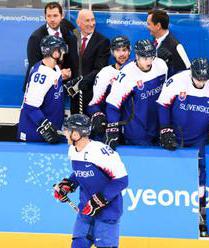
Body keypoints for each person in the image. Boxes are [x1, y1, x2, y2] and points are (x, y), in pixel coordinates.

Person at [157, 58, 209, 236]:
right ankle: (174, 210)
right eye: (198, 78)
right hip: (178, 137)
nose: (201, 82)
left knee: (201, 177)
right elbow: (162, 105)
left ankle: (200, 211)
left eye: (204, 79)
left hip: (200, 137)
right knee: (175, 174)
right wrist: (165, 130)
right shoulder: (176, 81)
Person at [53, 114, 128, 248]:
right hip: (85, 211)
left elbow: (122, 180)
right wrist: (68, 185)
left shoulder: (100, 152)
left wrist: (99, 200)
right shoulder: (72, 150)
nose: (64, 133)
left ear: (76, 134)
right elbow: (80, 172)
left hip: (107, 213)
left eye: (67, 130)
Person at [105, 39, 168, 149]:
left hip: (158, 128)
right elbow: (113, 104)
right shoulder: (126, 74)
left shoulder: (161, 65)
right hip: (137, 132)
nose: (149, 61)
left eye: (151, 57)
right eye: (144, 58)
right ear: (137, 56)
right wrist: (112, 130)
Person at [17, 35, 67, 143]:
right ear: (54, 52)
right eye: (61, 50)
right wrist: (45, 127)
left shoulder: (55, 68)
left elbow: (51, 92)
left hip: (48, 133)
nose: (63, 53)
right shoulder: (41, 74)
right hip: (34, 134)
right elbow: (30, 106)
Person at [65, 9, 110, 115]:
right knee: (76, 129)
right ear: (78, 23)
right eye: (87, 21)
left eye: (93, 20)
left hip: (93, 97)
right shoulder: (72, 40)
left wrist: (80, 84)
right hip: (75, 98)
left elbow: (100, 69)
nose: (91, 24)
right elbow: (69, 64)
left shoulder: (102, 41)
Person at [23, 2, 76, 91]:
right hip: (38, 87)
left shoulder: (69, 34)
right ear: (45, 17)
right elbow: (35, 65)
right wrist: (58, 74)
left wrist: (69, 73)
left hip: (60, 88)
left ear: (62, 16)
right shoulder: (36, 37)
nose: (52, 19)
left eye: (55, 15)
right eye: (49, 16)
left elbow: (72, 60)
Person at [87, 36, 131, 138]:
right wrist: (97, 114)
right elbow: (93, 104)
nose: (121, 54)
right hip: (110, 127)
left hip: (132, 129)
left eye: (124, 50)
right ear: (112, 52)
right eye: (117, 50)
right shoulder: (105, 73)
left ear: (129, 51)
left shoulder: (137, 71)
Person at [147, 9, 190, 77]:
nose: (147, 27)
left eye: (149, 24)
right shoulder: (154, 40)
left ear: (158, 26)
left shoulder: (176, 46)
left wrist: (170, 63)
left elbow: (188, 71)